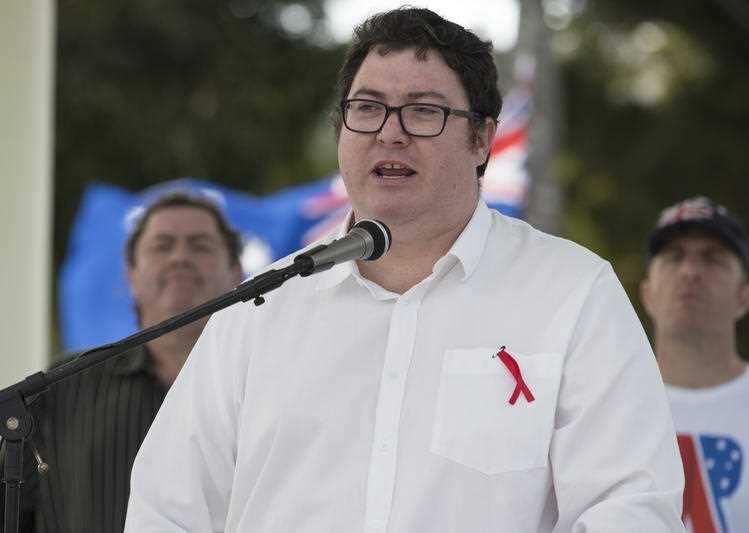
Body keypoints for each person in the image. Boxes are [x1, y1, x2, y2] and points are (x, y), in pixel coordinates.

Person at [126, 8, 685, 532]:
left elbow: (630, 506)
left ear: (482, 137)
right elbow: (168, 509)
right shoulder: (261, 305)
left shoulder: (571, 293)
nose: (389, 133)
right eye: (367, 108)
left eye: (424, 111)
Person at [9, 192, 244, 532]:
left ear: (236, 272)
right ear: (130, 273)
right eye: (162, 245)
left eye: (200, 245)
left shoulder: (269, 385)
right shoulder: (61, 387)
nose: (180, 257)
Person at [639, 196, 749, 532]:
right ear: (647, 293)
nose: (691, 271)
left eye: (713, 259)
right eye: (674, 256)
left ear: (745, 297)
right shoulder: (599, 410)